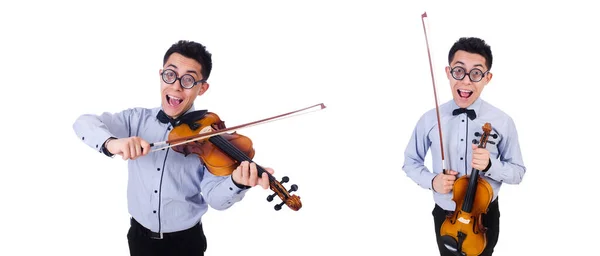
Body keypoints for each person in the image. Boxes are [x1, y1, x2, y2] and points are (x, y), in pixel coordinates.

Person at [73, 40, 274, 256]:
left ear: (202, 87)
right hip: (139, 239)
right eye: (170, 75)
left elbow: (215, 199)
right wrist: (112, 143)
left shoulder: (210, 138)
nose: (176, 86)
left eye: (188, 79)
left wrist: (237, 183)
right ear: (161, 75)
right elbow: (83, 123)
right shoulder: (136, 119)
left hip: (186, 243)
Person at [402, 37, 526, 256]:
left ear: (487, 78)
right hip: (446, 214)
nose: (466, 81)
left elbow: (518, 172)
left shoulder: (503, 121)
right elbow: (410, 162)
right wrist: (432, 181)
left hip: (484, 217)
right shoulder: (430, 119)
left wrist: (490, 165)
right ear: (448, 72)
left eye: (476, 73)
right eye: (459, 71)